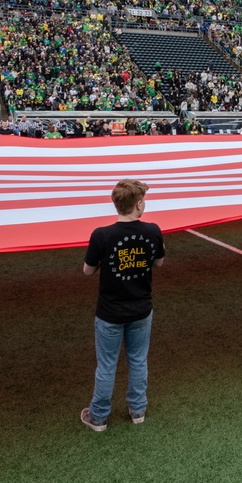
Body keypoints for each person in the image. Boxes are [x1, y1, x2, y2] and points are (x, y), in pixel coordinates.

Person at [80, 180, 166, 431]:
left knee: (107, 365)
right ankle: (137, 410)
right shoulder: (153, 230)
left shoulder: (101, 234)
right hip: (141, 310)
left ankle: (99, 417)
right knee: (138, 360)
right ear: (139, 204)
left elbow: (87, 271)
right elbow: (159, 263)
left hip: (110, 313)